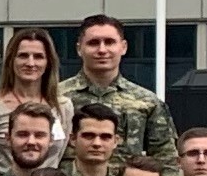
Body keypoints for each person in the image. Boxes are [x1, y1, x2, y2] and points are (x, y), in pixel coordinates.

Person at [60, 15, 172, 166]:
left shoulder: (146, 101)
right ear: (79, 49)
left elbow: (165, 153)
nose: (102, 50)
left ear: (123, 47)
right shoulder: (57, 97)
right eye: (93, 43)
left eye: (109, 42)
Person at [0, 27, 69, 166]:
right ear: (11, 61)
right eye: (23, 56)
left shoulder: (63, 106)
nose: (30, 63)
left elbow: (60, 157)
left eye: (38, 57)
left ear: (48, 62)